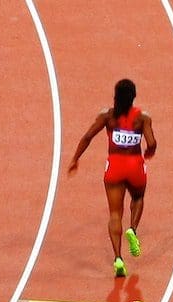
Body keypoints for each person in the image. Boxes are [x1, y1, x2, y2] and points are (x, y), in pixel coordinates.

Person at [68, 78, 157, 277]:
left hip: (114, 166)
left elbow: (87, 137)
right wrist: (150, 152)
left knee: (115, 214)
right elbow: (151, 142)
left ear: (115, 97)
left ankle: (118, 259)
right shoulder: (142, 118)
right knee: (138, 197)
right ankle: (133, 229)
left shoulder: (107, 116)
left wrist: (75, 158)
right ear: (133, 97)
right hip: (135, 164)